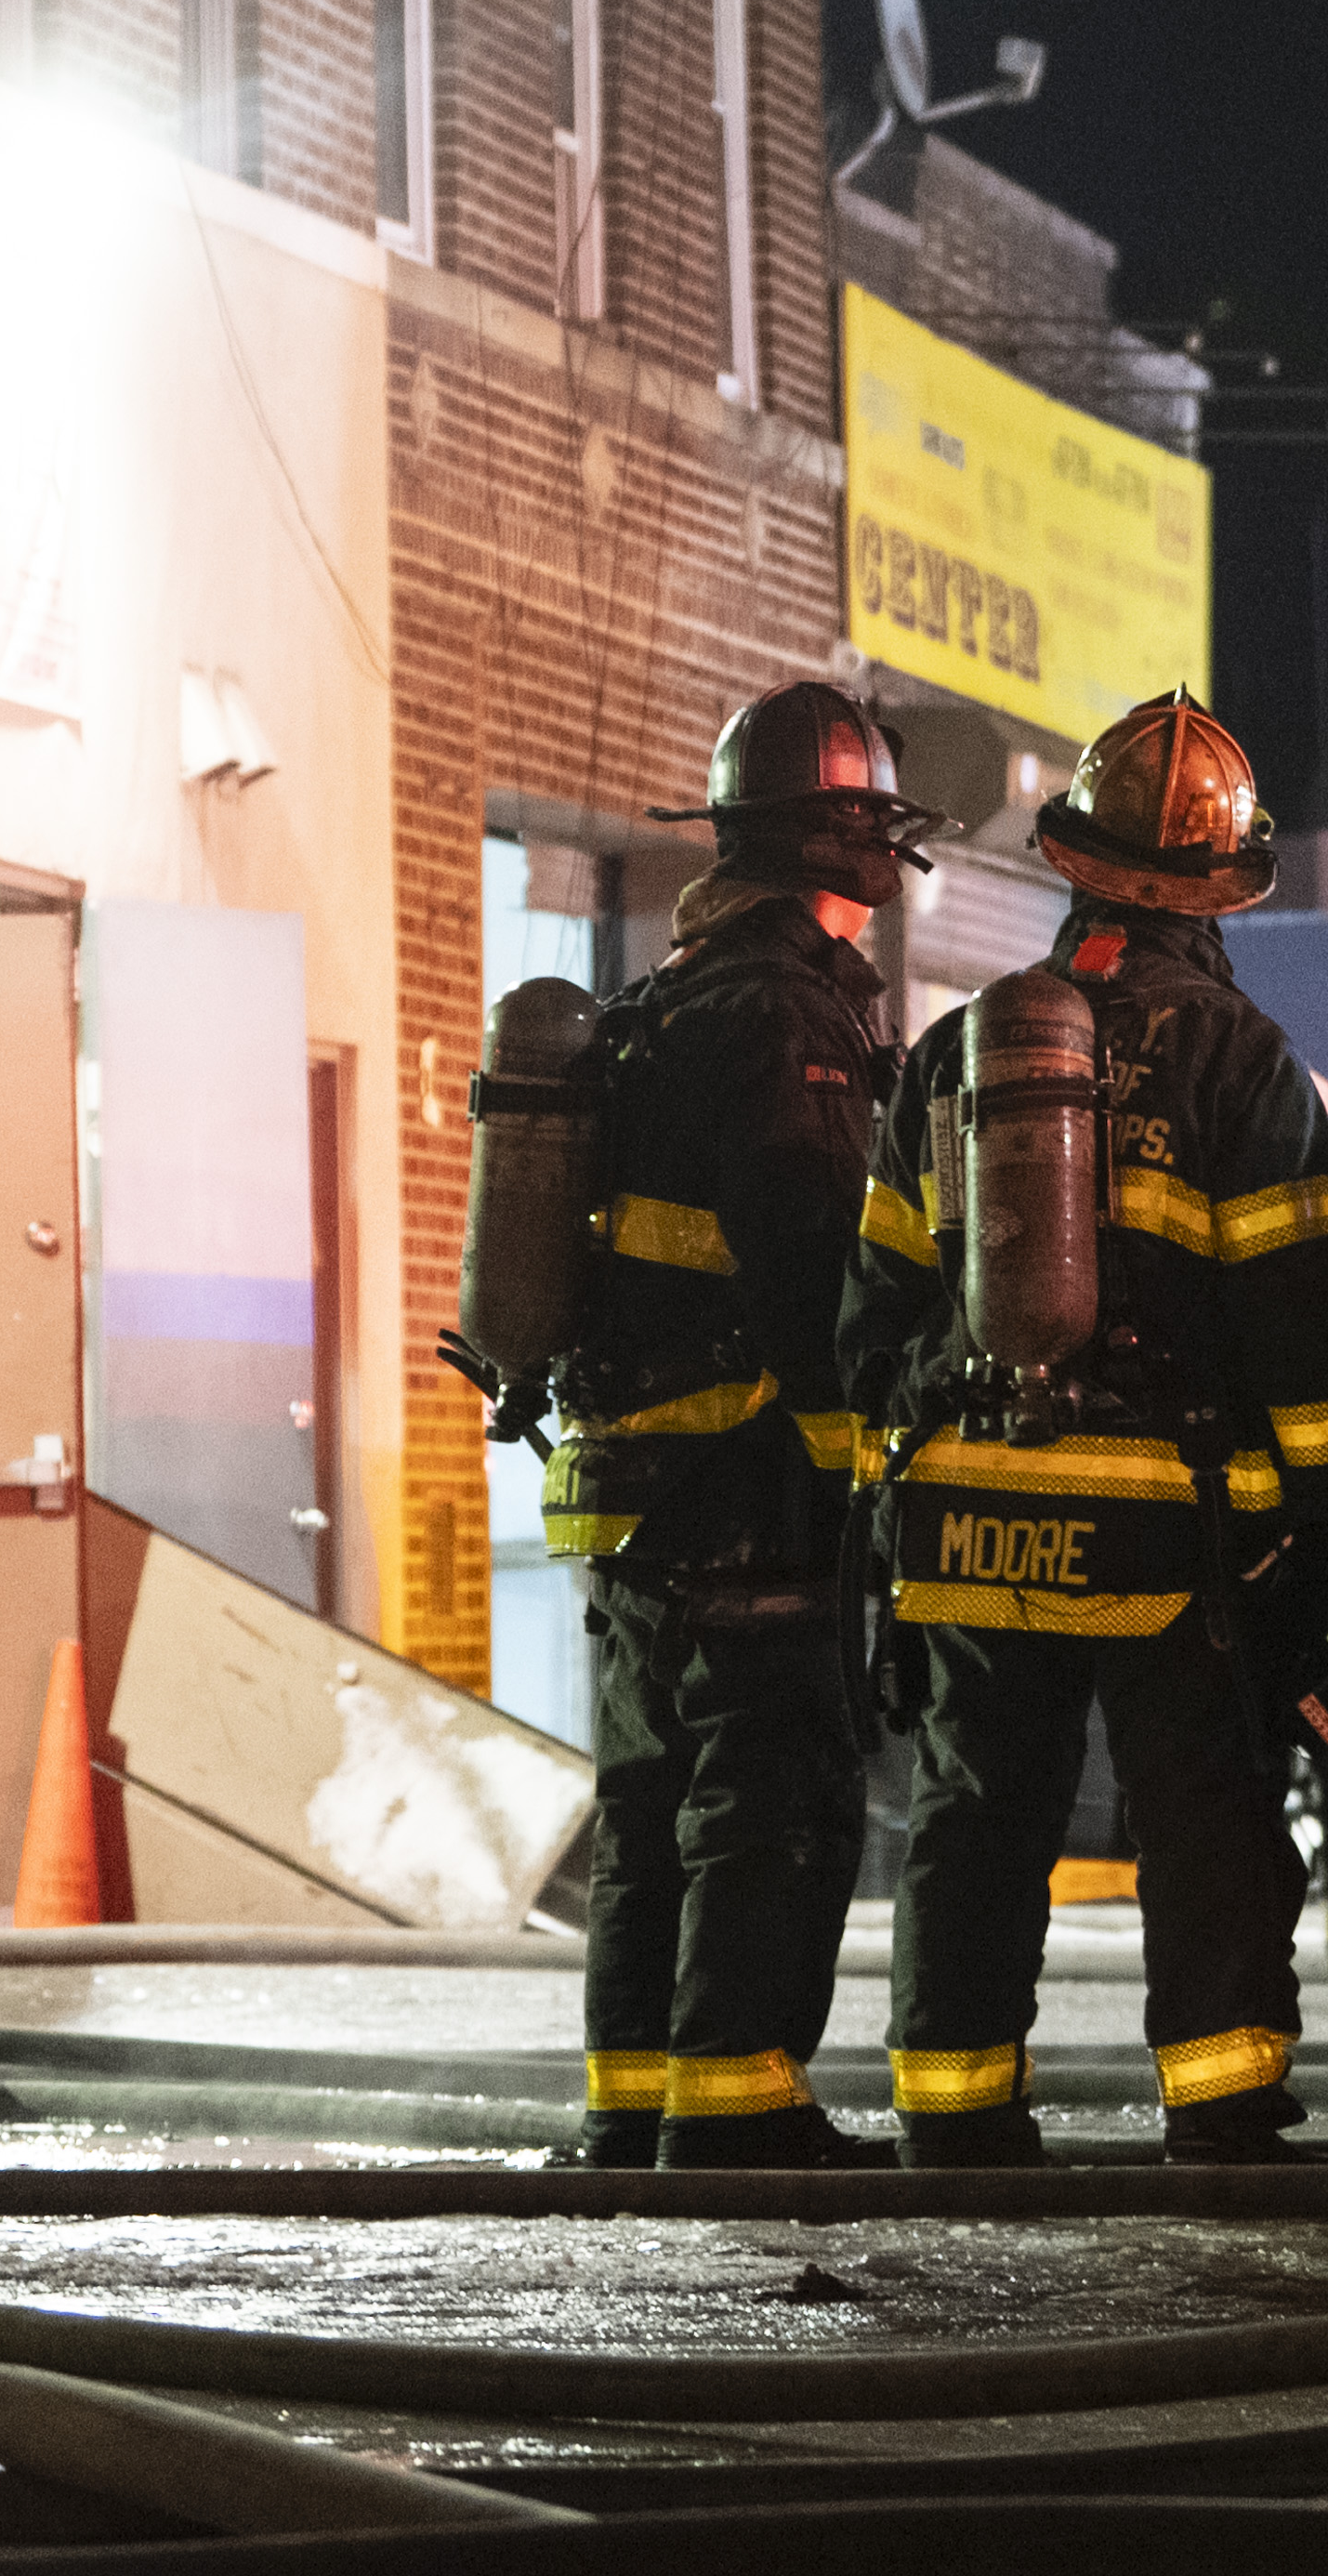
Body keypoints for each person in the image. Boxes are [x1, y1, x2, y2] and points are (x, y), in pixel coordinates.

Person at [846, 691, 1328, 2165]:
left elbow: (873, 1309)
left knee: (975, 1816)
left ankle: (948, 2118)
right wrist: (1322, 1531)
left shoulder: (955, 1054)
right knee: (1201, 1818)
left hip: (969, 1512)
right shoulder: (1244, 1063)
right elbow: (1297, 1327)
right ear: (1221, 896)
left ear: (1074, 865)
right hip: (1170, 1526)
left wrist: (886, 1497)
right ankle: (1219, 2114)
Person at [520, 682, 927, 2166]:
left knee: (650, 1798)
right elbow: (817, 1259)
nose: (891, 857)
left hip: (635, 1482)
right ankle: (741, 2109)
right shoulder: (788, 1014)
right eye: (879, 827)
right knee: (772, 1793)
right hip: (750, 1473)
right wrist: (865, 1456)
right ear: (844, 843)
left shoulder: (661, 1002)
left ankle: (634, 2105)